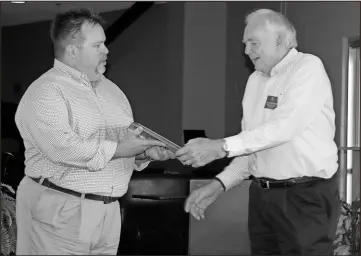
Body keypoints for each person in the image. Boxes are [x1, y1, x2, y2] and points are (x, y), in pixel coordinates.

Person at [176, 8, 340, 255]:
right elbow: (252, 146)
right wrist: (219, 184)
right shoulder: (255, 81)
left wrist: (220, 146)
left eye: (253, 43)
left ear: (280, 40)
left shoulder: (307, 67)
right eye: (245, 44)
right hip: (262, 198)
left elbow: (285, 126)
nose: (246, 51)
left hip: (303, 197)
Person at [14, 8, 174, 255]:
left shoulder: (114, 92)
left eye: (105, 44)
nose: (106, 50)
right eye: (98, 45)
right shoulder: (46, 91)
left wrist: (143, 154)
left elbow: (117, 149)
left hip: (108, 212)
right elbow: (62, 148)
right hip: (59, 211)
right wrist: (121, 149)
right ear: (73, 51)